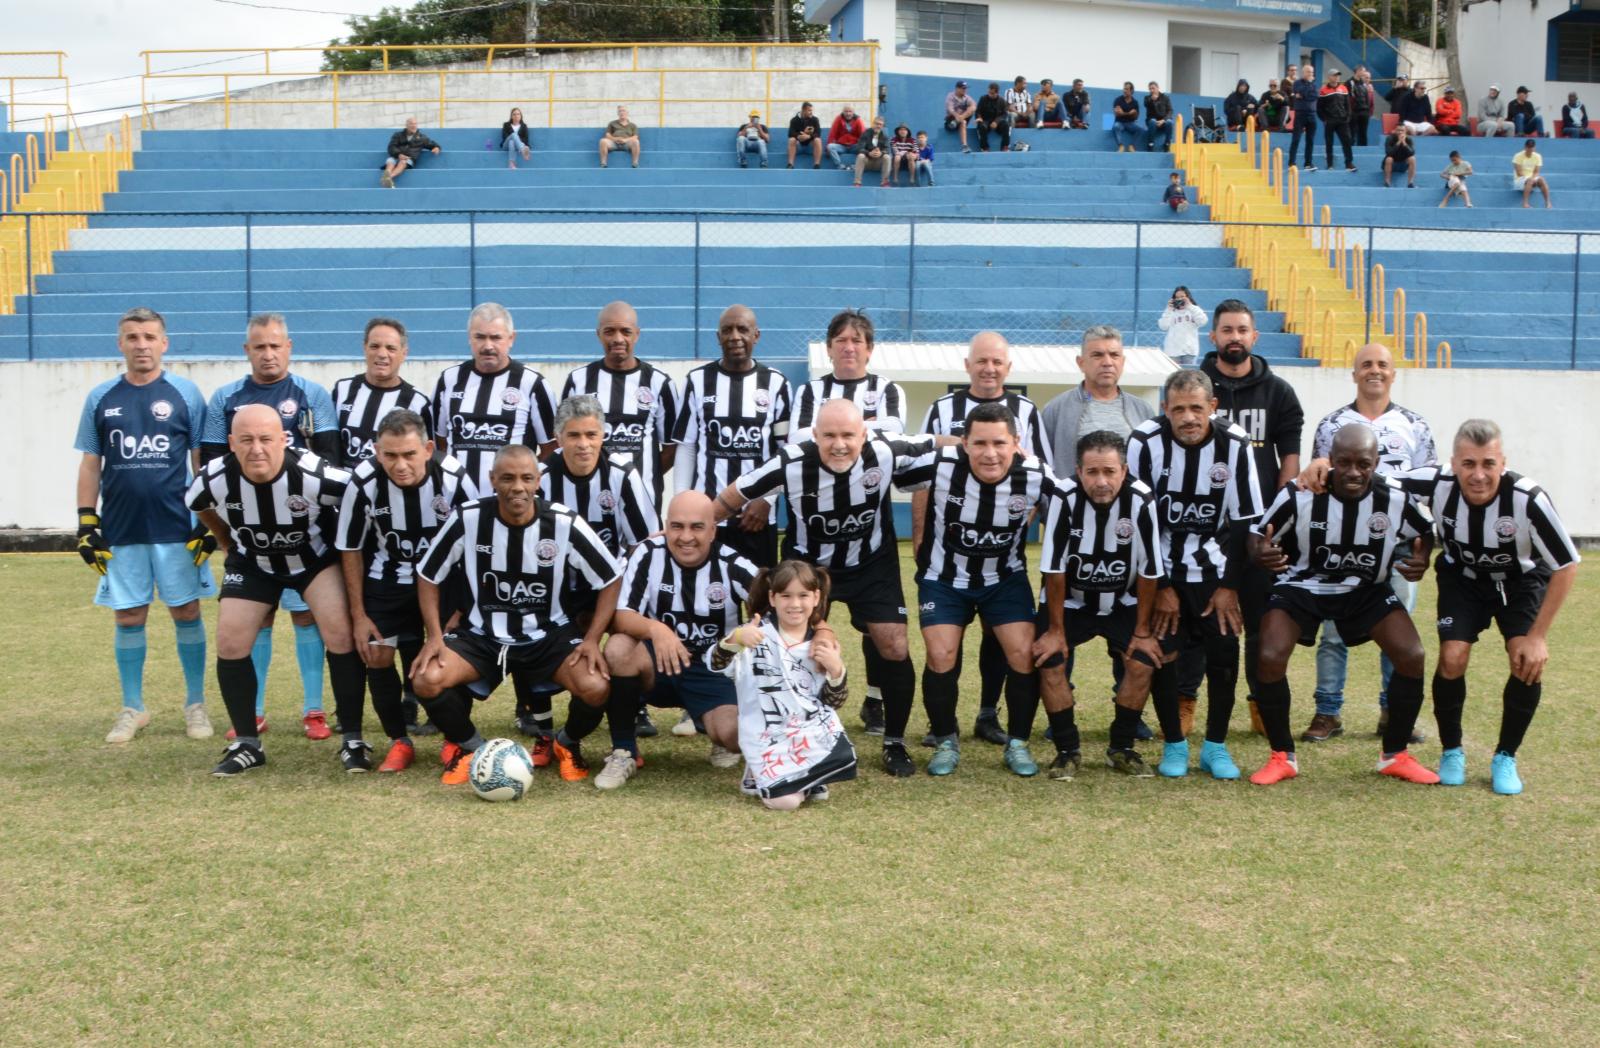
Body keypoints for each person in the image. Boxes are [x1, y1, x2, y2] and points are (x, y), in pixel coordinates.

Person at [719, 400, 933, 773]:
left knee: (895, 645)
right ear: (814, 435)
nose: (839, 444)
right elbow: (732, 496)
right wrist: (687, 527)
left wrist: (986, 443)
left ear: (863, 435)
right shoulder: (791, 461)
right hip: (809, 568)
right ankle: (789, 734)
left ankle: (894, 742)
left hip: (871, 564)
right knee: (790, 649)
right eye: (829, 435)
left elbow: (939, 444)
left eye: (848, 435)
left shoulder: (885, 450)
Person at [411, 444, 622, 785]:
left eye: (526, 478)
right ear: (493, 480)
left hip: (548, 634)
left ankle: (565, 744)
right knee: (425, 677)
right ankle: (473, 748)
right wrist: (434, 636)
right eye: (507, 478)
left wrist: (593, 639)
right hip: (482, 635)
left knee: (596, 686)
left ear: (538, 480)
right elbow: (427, 574)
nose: (517, 487)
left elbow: (610, 578)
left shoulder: (564, 523)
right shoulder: (468, 518)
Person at [1397, 420, 1579, 794]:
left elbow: (1566, 564)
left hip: (1519, 581)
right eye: (1468, 464)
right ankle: (1452, 751)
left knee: (1525, 660)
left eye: (1488, 464)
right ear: (1454, 463)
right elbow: (1376, 480)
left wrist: (1538, 636)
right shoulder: (1436, 482)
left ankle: (1505, 756)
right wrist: (1322, 468)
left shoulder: (1529, 499)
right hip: (1462, 579)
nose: (1478, 475)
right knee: (1452, 658)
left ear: (1503, 463)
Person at [1247, 425, 1436, 786]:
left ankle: (1395, 755)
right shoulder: (1301, 493)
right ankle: (1282, 756)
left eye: (1363, 463)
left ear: (1375, 463)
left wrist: (1422, 558)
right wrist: (1262, 554)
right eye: (1344, 462)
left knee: (1412, 655)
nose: (1353, 472)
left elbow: (1424, 531)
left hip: (1365, 588)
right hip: (1301, 585)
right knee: (1269, 656)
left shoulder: (1394, 497)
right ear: (1330, 461)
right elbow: (1258, 534)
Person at [186, 405, 367, 777]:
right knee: (231, 641)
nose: (257, 449)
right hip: (254, 564)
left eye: (266, 439)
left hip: (313, 562)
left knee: (340, 635)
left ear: (284, 440)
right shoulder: (214, 478)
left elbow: (358, 499)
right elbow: (198, 504)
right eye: (246, 440)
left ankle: (352, 738)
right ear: (231, 443)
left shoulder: (316, 476)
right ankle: (247, 744)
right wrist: (224, 538)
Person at [899, 402, 1064, 777]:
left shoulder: (1036, 474)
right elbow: (888, 464)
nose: (990, 453)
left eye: (1000, 443)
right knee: (941, 654)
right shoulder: (940, 464)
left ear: (1016, 443)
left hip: (1004, 579)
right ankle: (944, 740)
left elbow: (1074, 506)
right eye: (980, 443)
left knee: (1023, 652)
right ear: (964, 444)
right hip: (944, 579)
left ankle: (1018, 744)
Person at [75, 307, 215, 745]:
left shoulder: (185, 393)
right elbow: (91, 463)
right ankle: (133, 707)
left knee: (186, 611)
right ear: (120, 343)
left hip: (177, 529)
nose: (141, 344)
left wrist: (207, 521)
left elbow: (201, 462)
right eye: (132, 337)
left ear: (164, 343)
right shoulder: (101, 397)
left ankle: (195, 704)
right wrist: (86, 524)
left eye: (149, 337)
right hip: (122, 529)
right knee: (129, 614)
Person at [202, 313, 339, 741]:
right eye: (259, 346)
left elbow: (331, 461)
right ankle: (255, 711)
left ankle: (314, 710)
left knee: (306, 619)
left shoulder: (312, 394)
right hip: (251, 536)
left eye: (275, 345)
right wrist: (227, 535)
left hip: (304, 532)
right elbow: (209, 469)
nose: (268, 354)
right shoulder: (225, 397)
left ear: (289, 347)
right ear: (247, 351)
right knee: (252, 623)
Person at [919, 332, 1055, 746]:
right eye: (981, 361)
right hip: (947, 559)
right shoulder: (943, 409)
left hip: (1003, 560)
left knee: (1007, 643)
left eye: (997, 362)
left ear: (1008, 368)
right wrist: (922, 539)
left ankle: (988, 713)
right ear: (968, 364)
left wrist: (1018, 516)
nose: (989, 368)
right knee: (944, 645)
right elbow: (925, 474)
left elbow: (1040, 470)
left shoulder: (1027, 410)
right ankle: (942, 728)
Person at [1128, 370, 1265, 777]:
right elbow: (1140, 518)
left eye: (1196, 408)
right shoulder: (1144, 442)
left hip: (1214, 566)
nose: (1188, 417)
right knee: (1164, 655)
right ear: (1165, 410)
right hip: (1160, 567)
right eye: (1178, 409)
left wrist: (1229, 587)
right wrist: (1163, 586)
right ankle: (1174, 744)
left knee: (1224, 653)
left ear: (1213, 408)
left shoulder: (1235, 443)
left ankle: (1215, 747)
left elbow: (1245, 522)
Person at [1301, 342, 1436, 743]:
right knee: (1333, 630)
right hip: (1343, 541)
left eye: (1382, 365)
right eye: (1366, 365)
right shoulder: (1331, 425)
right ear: (1354, 373)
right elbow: (1317, 482)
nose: (1374, 371)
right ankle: (1328, 712)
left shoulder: (1416, 425)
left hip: (1394, 542)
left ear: (1394, 374)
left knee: (1397, 627)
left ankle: (1392, 711)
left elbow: (1427, 487)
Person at [334, 409, 476, 774]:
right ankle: (399, 741)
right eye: (390, 455)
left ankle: (453, 741)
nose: (400, 465)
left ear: (428, 449)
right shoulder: (363, 482)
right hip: (387, 580)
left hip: (445, 584)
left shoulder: (455, 478)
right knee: (377, 655)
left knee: (447, 657)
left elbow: (475, 546)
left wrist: (462, 607)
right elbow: (350, 548)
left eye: (409, 455)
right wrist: (359, 614)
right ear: (377, 452)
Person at [601, 492, 763, 789]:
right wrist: (657, 630)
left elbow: (778, 598)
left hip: (711, 671)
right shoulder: (648, 553)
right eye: (677, 526)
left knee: (734, 736)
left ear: (713, 530)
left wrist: (824, 633)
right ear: (666, 526)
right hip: (658, 664)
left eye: (697, 527)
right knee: (618, 648)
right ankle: (623, 750)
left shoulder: (731, 563)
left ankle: (711, 727)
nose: (685, 537)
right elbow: (622, 616)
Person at [1031, 431, 1169, 781]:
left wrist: (1141, 631)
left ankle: (1121, 748)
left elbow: (1150, 571)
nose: (1101, 481)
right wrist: (1056, 631)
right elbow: (1055, 567)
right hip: (1072, 601)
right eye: (1092, 472)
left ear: (1124, 470)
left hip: (1123, 599)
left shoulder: (1142, 500)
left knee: (1142, 661)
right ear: (1079, 472)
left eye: (1109, 471)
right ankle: (1067, 751)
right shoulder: (1063, 495)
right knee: (1050, 660)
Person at [1198, 300, 1304, 735]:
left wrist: (1277, 516)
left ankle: (1262, 704)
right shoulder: (1195, 386)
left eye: (1242, 330)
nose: (1234, 337)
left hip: (1262, 528)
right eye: (1227, 330)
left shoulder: (1278, 391)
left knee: (1263, 620)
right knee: (1203, 619)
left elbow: (1290, 455)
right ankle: (1187, 700)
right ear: (1214, 337)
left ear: (1255, 337)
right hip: (1207, 528)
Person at [537, 393, 660, 751]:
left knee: (627, 638)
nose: (583, 444)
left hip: (614, 583)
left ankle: (634, 709)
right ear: (559, 439)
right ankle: (540, 720)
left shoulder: (622, 475)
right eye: (574, 436)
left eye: (591, 435)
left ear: (603, 436)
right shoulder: (542, 478)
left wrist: (635, 602)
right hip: (558, 587)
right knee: (529, 623)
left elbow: (642, 545)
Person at [714, 560, 855, 808]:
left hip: (807, 734)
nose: (795, 604)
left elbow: (833, 703)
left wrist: (836, 669)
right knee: (786, 802)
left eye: (803, 595)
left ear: (816, 597)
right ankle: (771, 774)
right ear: (772, 597)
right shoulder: (754, 634)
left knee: (819, 783)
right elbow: (716, 663)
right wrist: (735, 639)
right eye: (786, 595)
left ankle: (809, 775)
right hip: (767, 735)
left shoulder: (821, 644)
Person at [673, 304, 791, 570]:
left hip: (757, 517)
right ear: (718, 337)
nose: (735, 336)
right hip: (708, 517)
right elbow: (687, 448)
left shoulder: (776, 384)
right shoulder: (697, 381)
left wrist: (767, 500)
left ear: (756, 335)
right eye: (727, 330)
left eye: (742, 329)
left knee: (759, 597)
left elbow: (785, 452)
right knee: (709, 600)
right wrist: (683, 505)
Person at [560, 300, 681, 503]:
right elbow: (563, 440)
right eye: (609, 331)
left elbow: (671, 448)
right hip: (588, 495)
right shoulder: (578, 381)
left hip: (643, 498)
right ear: (598, 334)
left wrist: (643, 476)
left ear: (637, 334)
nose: (618, 339)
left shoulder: (659, 383)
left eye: (625, 331)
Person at [429, 301, 556, 495]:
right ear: (469, 338)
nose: (488, 346)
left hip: (511, 502)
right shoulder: (449, 380)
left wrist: (522, 481)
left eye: (496, 337)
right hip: (455, 499)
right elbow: (439, 443)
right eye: (480, 337)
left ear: (511, 338)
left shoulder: (533, 384)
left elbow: (550, 449)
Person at [1038, 324, 1153, 475]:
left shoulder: (1143, 410)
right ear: (1081, 363)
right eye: (1097, 355)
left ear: (1122, 362)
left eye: (1114, 355)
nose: (1107, 362)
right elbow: (1042, 465)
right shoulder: (1056, 410)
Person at [331, 317, 432, 468]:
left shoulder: (418, 402)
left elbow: (426, 456)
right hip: (344, 489)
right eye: (375, 346)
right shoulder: (342, 390)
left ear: (404, 353)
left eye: (391, 348)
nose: (382, 354)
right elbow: (329, 445)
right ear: (365, 347)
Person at [789, 309, 906, 439]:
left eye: (856, 341)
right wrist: (864, 425)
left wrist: (825, 430)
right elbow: (798, 437)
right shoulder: (810, 390)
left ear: (869, 349)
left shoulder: (886, 389)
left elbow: (893, 431)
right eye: (841, 340)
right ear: (829, 349)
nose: (849, 348)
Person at [380, 116, 439, 188]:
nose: (414, 126)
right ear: (407, 125)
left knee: (403, 162)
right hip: (396, 155)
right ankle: (387, 174)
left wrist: (436, 148)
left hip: (408, 159)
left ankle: (388, 178)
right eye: (411, 124)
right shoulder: (398, 135)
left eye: (415, 124)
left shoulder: (422, 138)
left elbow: (432, 144)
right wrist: (398, 154)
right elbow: (391, 147)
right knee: (390, 161)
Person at [1317, 68, 1356, 171]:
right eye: (1334, 75)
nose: (1337, 77)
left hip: (1342, 121)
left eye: (1338, 75)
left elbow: (1348, 105)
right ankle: (1330, 165)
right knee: (1329, 143)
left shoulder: (1344, 89)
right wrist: (1325, 119)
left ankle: (1349, 163)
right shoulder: (1323, 90)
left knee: (1347, 141)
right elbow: (1319, 108)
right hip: (1330, 121)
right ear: (1329, 77)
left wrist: (1347, 117)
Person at [1158, 286, 1207, 366]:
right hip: (1172, 351)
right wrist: (1168, 309)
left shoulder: (1193, 310)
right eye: (1177, 297)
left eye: (1182, 297)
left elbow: (1203, 321)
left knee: (1188, 376)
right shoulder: (1171, 312)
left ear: (1188, 297)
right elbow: (1163, 326)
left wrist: (1190, 306)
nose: (1179, 299)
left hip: (1189, 351)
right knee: (1174, 376)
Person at [1288, 64, 1319, 168]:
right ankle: (1292, 162)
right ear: (1303, 72)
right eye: (1308, 72)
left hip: (1312, 115)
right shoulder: (1297, 83)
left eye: (1312, 72)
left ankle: (1308, 163)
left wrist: (1303, 95)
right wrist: (1306, 91)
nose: (1311, 74)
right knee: (1296, 139)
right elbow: (1300, 91)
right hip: (1300, 114)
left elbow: (1314, 96)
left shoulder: (1314, 85)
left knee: (1310, 140)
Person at [852, 114, 891, 187]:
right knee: (860, 156)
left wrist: (881, 153)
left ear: (882, 126)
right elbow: (859, 148)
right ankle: (857, 182)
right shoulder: (865, 133)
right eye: (876, 124)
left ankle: (885, 182)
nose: (878, 126)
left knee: (887, 157)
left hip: (878, 163)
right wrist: (869, 153)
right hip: (867, 162)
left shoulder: (885, 136)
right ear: (873, 124)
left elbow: (887, 149)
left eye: (880, 124)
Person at [1513, 138, 1551, 209]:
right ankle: (1525, 203)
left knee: (1542, 179)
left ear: (1534, 148)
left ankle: (1547, 202)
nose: (1530, 149)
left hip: (1531, 178)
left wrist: (1533, 178)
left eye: (1532, 147)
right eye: (1528, 147)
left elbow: (1536, 172)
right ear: (1525, 147)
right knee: (1530, 180)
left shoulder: (1538, 156)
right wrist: (1530, 179)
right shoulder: (1517, 156)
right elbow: (1519, 172)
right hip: (1519, 180)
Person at [975, 82, 1011, 152]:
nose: (990, 94)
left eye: (992, 93)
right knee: (981, 126)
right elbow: (978, 111)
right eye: (989, 92)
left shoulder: (1002, 100)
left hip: (997, 122)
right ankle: (985, 148)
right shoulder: (983, 98)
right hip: (985, 121)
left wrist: (996, 122)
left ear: (997, 93)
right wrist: (979, 118)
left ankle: (1004, 146)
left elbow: (1004, 114)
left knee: (1006, 125)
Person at [826, 104, 865, 169]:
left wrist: (863, 146)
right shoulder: (838, 119)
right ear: (843, 112)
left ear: (853, 112)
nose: (848, 113)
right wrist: (827, 150)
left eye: (850, 111)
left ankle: (856, 166)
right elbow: (832, 134)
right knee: (830, 147)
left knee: (863, 147)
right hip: (842, 146)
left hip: (854, 146)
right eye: (846, 111)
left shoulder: (858, 120)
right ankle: (839, 165)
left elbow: (863, 135)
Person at [786, 102, 823, 169]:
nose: (811, 112)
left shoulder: (815, 119)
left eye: (811, 110)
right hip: (798, 147)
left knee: (818, 140)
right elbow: (790, 133)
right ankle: (790, 164)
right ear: (803, 110)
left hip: (810, 147)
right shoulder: (794, 120)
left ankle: (817, 165)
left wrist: (808, 136)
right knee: (792, 140)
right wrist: (800, 136)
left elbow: (818, 133)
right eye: (809, 110)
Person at [944, 81, 977, 153]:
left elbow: (974, 106)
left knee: (972, 108)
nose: (965, 90)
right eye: (963, 88)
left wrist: (961, 117)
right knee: (963, 121)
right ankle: (964, 146)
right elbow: (950, 109)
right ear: (957, 89)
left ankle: (957, 122)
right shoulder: (951, 96)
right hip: (950, 121)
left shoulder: (967, 97)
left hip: (958, 121)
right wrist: (957, 116)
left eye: (965, 88)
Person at [1349, 66, 1376, 146]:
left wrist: (1369, 113)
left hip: (1365, 113)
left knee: (1363, 134)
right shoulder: (1352, 83)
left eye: (1369, 78)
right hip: (1354, 112)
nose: (1367, 79)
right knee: (1352, 133)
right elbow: (1350, 99)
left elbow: (1371, 103)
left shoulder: (1370, 89)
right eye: (1366, 77)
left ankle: (1362, 148)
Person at [1144, 81, 1174, 152]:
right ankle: (1150, 143)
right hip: (1152, 121)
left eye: (1153, 88)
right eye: (1150, 89)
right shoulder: (1147, 98)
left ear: (1158, 88)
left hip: (1163, 121)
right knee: (1152, 121)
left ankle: (1167, 143)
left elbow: (1170, 111)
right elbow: (1146, 104)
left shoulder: (1165, 98)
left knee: (1170, 122)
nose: (1151, 90)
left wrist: (1163, 120)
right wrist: (1152, 100)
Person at [1112, 83, 1142, 152]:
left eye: (1127, 89)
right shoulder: (1118, 100)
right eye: (1124, 88)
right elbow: (1117, 114)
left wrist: (1125, 113)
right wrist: (1129, 113)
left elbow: (1136, 117)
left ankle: (1131, 146)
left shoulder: (1135, 102)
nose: (1124, 91)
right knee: (1115, 127)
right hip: (1120, 122)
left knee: (1140, 130)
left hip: (1130, 123)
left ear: (1131, 91)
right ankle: (1120, 146)